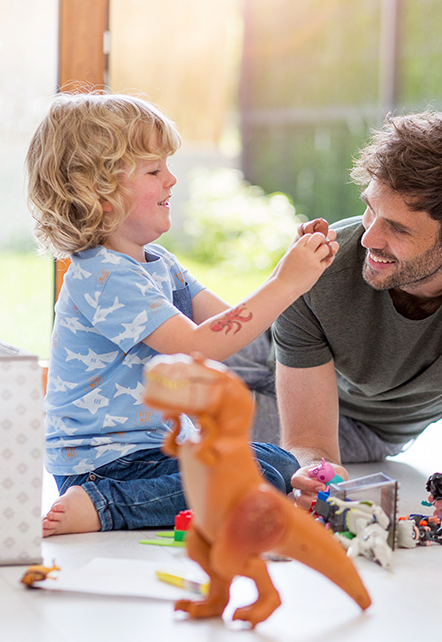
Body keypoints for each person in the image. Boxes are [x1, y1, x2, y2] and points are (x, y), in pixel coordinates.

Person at [25, 92, 338, 536]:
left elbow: (232, 326)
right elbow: (199, 347)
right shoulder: (101, 274)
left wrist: (289, 270)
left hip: (158, 450)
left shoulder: (157, 262)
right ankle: (101, 507)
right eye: (154, 170)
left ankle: (261, 485)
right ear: (98, 192)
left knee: (279, 461)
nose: (171, 179)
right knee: (258, 475)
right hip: (107, 465)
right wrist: (285, 283)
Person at [240, 110, 442, 529]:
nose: (369, 238)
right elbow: (308, 445)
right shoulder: (321, 268)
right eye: (370, 209)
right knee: (153, 368)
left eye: (398, 229)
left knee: (184, 427)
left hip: (363, 425)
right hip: (263, 345)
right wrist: (316, 471)